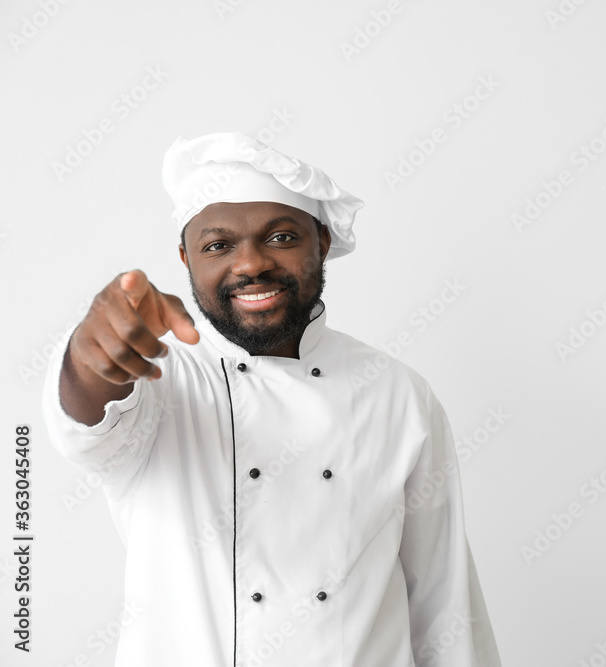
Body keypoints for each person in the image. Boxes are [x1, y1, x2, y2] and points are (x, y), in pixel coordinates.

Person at [41, 132, 503, 666]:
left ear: (322, 243)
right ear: (186, 259)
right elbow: (87, 425)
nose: (251, 263)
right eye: (218, 246)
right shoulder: (159, 377)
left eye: (282, 237)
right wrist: (91, 352)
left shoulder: (396, 391)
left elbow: (443, 602)